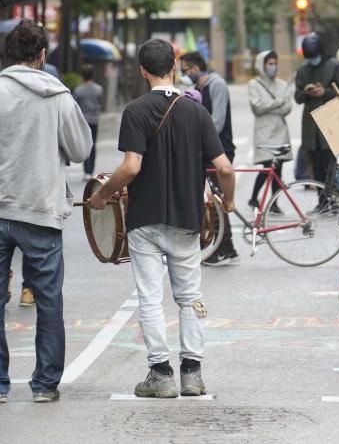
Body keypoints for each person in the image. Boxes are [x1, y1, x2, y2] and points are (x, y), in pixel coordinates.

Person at [88, 38, 236, 399]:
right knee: (190, 297)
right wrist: (228, 201)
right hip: (187, 219)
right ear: (174, 66)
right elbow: (225, 167)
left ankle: (160, 373)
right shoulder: (196, 112)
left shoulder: (135, 111)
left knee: (150, 298)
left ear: (142, 70)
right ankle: (192, 372)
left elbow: (131, 166)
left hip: (145, 220)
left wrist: (102, 195)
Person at [0, 20, 93, 404]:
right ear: (43, 55)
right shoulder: (59, 97)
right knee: (48, 300)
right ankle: (44, 385)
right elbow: (81, 150)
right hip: (40, 210)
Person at [179, 51, 238, 266]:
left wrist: (197, 135)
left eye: (185, 69)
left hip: (220, 149)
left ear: (195, 67)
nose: (184, 74)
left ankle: (224, 246)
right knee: (213, 197)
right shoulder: (197, 89)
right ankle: (224, 245)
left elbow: (218, 121)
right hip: (206, 150)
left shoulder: (217, 84)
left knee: (217, 198)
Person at [295, 33, 339, 188]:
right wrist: (306, 91)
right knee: (316, 164)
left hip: (331, 122)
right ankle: (321, 201)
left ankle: (331, 200)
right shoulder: (303, 70)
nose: (312, 59)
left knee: (331, 164)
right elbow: (297, 97)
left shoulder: (335, 66)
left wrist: (324, 92)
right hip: (310, 125)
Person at [247, 51, 294, 209]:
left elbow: (287, 108)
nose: (273, 67)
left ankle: (274, 203)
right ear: (262, 65)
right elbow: (257, 107)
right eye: (270, 64)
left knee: (278, 168)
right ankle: (253, 198)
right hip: (264, 132)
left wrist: (271, 105)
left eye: (275, 63)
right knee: (268, 167)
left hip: (280, 131)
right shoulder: (254, 84)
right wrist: (278, 102)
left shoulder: (282, 84)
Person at [73, 63, 104, 178]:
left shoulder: (78, 90)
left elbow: (75, 106)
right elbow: (101, 103)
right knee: (93, 145)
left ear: (82, 76)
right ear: (93, 75)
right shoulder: (99, 89)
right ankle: (91, 171)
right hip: (94, 120)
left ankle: (86, 171)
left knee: (85, 145)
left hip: (83, 121)